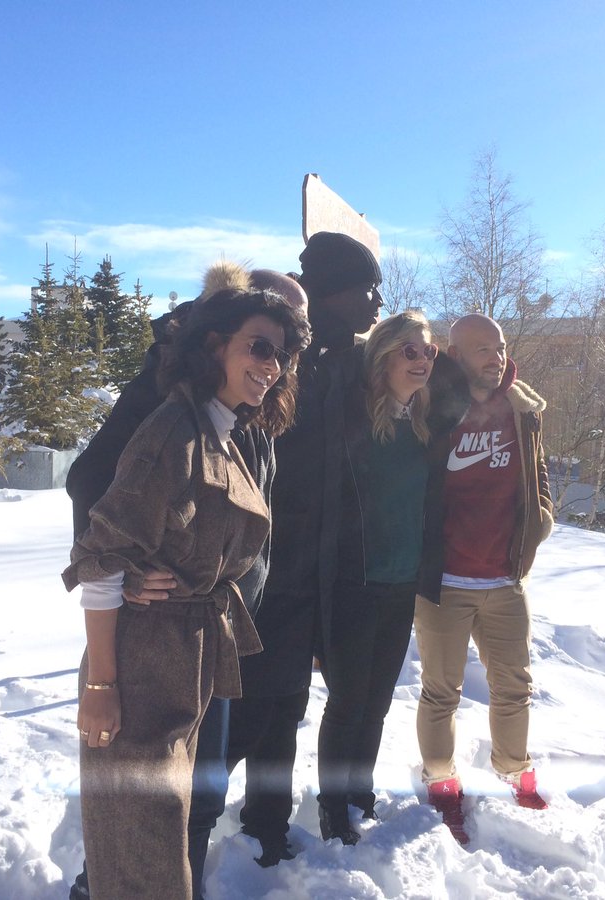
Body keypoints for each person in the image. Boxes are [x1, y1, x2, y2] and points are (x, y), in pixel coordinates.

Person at [64, 264, 307, 900]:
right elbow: (102, 556)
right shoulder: (174, 429)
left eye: (282, 353)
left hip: (196, 652)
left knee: (171, 824)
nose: (272, 364)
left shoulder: (227, 426)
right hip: (147, 660)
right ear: (214, 343)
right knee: (141, 840)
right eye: (260, 346)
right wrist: (100, 686)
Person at [228, 231, 383, 865]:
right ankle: (157, 842)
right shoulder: (280, 362)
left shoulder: (342, 361)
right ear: (333, 294)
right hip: (254, 574)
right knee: (242, 719)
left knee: (284, 708)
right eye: (368, 289)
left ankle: (265, 825)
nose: (377, 302)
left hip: (304, 575)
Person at [414, 312, 554, 844]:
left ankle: (514, 770)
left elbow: (537, 470)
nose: (496, 358)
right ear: (454, 355)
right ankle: (440, 779)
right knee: (440, 693)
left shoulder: (521, 407)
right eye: (483, 350)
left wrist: (541, 518)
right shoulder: (431, 407)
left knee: (515, 687)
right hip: (445, 581)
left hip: (504, 579)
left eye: (500, 348)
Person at [314, 311, 436, 845]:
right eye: (410, 351)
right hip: (354, 582)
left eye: (429, 351)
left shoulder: (425, 424)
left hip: (402, 582)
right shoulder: (353, 419)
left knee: (379, 702)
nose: (422, 360)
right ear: (383, 357)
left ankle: (359, 792)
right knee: (347, 703)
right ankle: (332, 805)